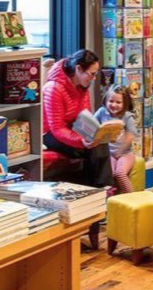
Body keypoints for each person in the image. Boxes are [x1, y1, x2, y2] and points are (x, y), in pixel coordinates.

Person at [42, 49, 113, 187]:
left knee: (98, 142)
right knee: (92, 147)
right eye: (92, 74)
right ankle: (101, 189)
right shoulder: (53, 88)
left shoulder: (82, 85)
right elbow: (57, 128)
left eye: (95, 74)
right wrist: (81, 140)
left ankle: (100, 189)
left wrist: (94, 133)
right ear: (78, 68)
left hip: (71, 128)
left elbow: (84, 116)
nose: (94, 78)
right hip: (50, 134)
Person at [94, 85, 138, 195]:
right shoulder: (102, 112)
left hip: (125, 154)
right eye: (111, 101)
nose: (113, 105)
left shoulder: (127, 116)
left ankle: (132, 197)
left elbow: (131, 134)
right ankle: (111, 199)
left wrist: (122, 148)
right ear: (106, 100)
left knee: (120, 173)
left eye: (118, 102)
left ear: (125, 103)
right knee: (109, 174)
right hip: (109, 153)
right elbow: (93, 124)